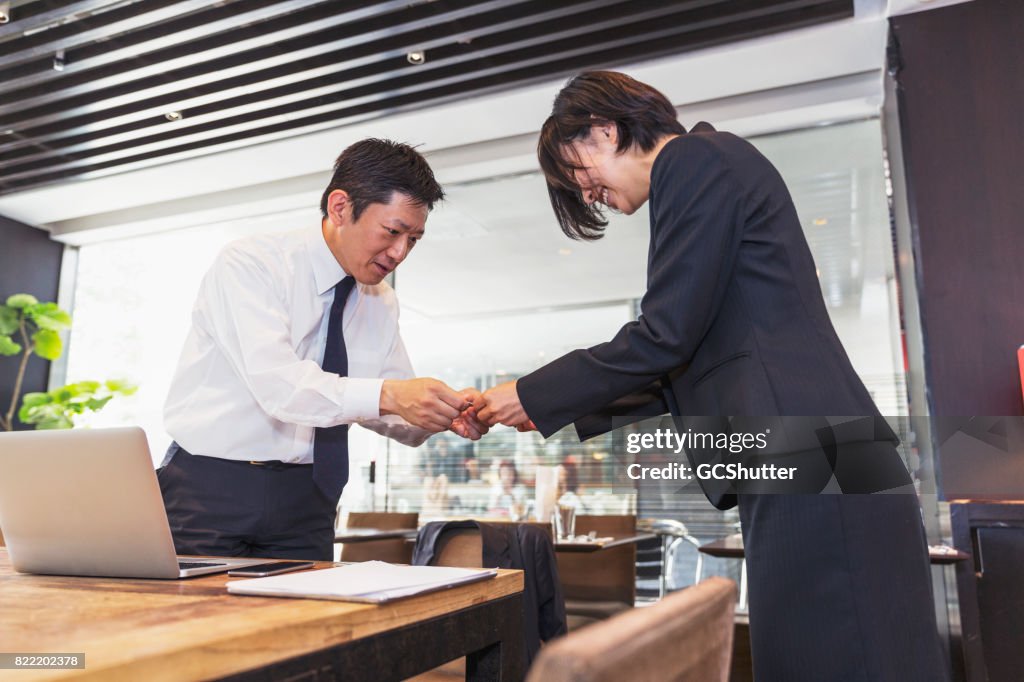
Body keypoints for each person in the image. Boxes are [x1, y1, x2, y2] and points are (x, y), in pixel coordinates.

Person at [477, 71, 948, 681]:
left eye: (578, 172)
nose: (586, 193)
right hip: (814, 456)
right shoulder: (710, 168)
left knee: (834, 659)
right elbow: (684, 355)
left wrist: (532, 395)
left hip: (810, 457)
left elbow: (664, 334)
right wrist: (533, 405)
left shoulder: (695, 160)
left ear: (603, 129)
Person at [160, 139, 486, 561]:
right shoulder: (251, 265)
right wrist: (392, 395)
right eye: (392, 231)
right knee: (193, 624)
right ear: (339, 207)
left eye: (414, 239)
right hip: (209, 491)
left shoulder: (380, 301)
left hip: (308, 500)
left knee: (309, 625)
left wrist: (446, 411)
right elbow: (281, 388)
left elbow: (395, 411)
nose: (400, 253)